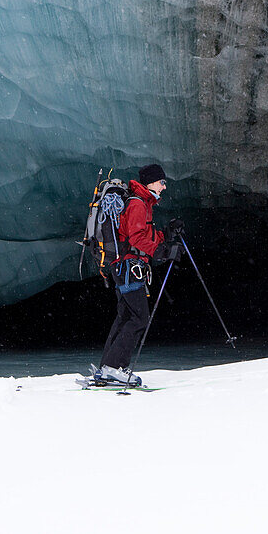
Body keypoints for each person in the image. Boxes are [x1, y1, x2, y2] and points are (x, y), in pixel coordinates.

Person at [96, 163, 181, 384]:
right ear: (151, 182)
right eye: (162, 182)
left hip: (125, 266)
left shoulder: (142, 203)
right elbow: (135, 239)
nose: (164, 187)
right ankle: (115, 367)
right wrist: (162, 252)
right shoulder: (137, 204)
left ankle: (107, 367)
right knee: (138, 317)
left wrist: (166, 235)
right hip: (129, 267)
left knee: (126, 316)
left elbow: (143, 235)